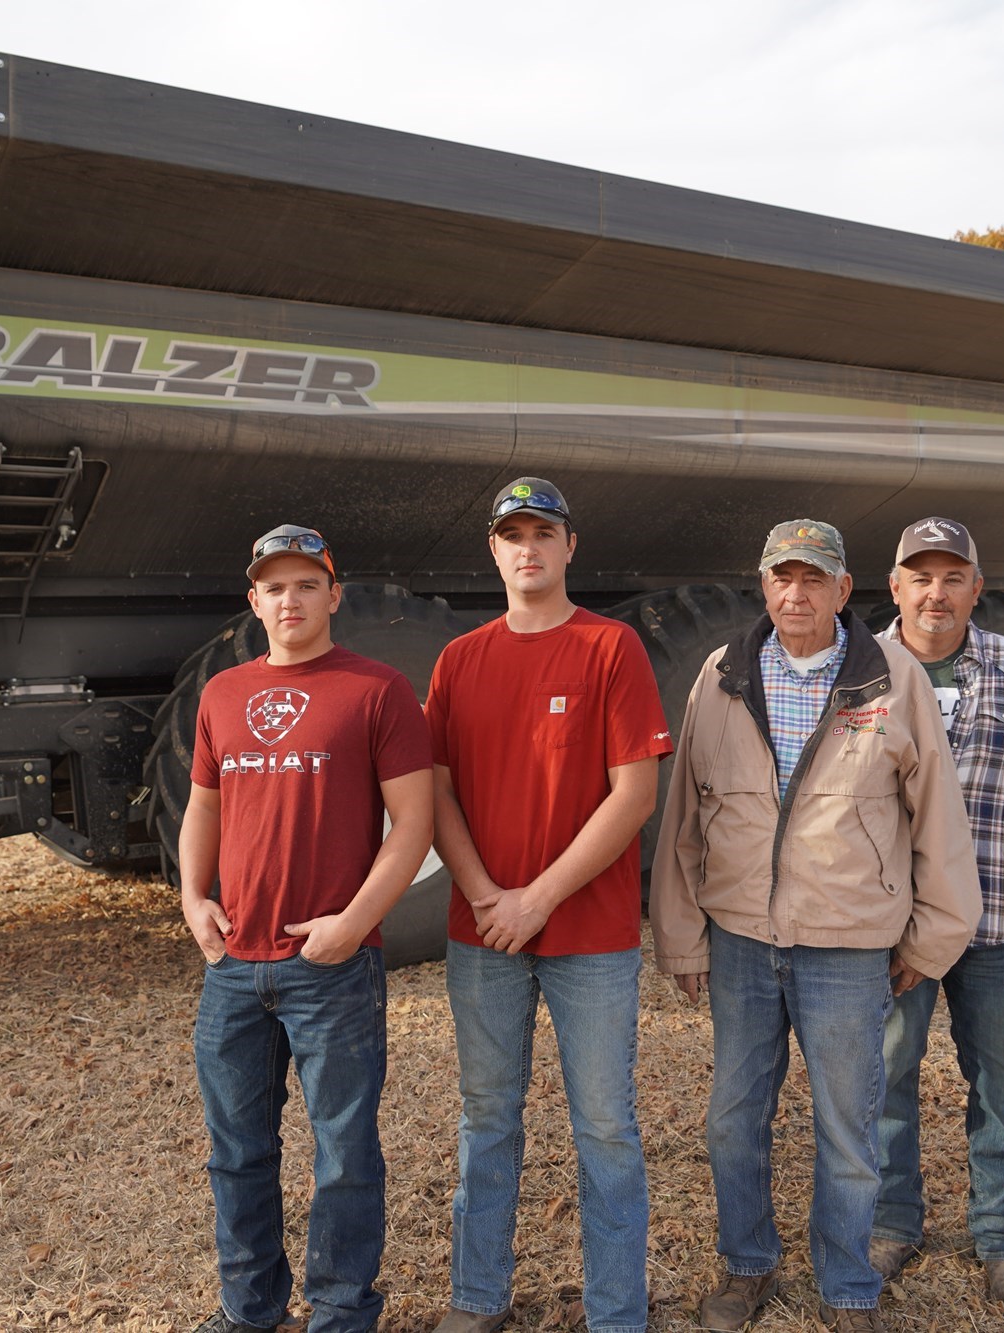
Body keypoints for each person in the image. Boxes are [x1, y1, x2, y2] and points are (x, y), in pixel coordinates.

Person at [650, 519, 981, 1333]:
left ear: (843, 589)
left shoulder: (891, 676)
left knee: (848, 1125)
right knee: (733, 1118)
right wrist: (682, 934)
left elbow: (938, 816)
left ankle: (848, 1285)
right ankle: (747, 1263)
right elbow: (684, 816)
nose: (795, 594)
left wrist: (933, 936)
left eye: (813, 579)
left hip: (849, 944)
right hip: (742, 940)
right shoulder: (722, 673)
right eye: (780, 578)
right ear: (763, 586)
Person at [425, 477, 673, 1333]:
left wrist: (537, 898)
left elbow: (633, 794)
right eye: (511, 533)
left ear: (571, 546)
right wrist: (489, 894)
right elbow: (438, 793)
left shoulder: (612, 649)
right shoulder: (460, 660)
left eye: (544, 531)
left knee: (604, 1125)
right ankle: (476, 1298)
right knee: (486, 1116)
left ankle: (615, 1312)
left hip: (590, 938)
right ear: (493, 551)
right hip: (483, 931)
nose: (528, 546)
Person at [179, 523, 435, 1333]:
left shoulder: (377, 689)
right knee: (237, 1152)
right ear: (253, 601)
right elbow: (204, 807)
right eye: (274, 586)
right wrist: (192, 897)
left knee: (344, 1156)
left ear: (334, 594)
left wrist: (354, 925)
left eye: (305, 584)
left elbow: (414, 825)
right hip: (233, 968)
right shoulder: (222, 693)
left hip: (332, 966)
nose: (290, 599)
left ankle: (340, 1313)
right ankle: (250, 1310)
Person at [871, 517, 1004, 1319]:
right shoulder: (862, 670)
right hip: (893, 929)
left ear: (974, 585)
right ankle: (892, 1223)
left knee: (1003, 1090)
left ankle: (1002, 1240)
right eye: (920, 576)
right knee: (884, 1081)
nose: (936, 592)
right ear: (894, 585)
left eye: (952, 576)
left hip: (997, 924)